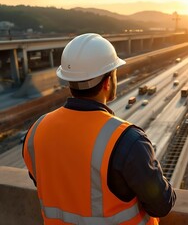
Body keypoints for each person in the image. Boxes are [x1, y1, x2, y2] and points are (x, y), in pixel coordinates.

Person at [22, 33, 175, 225]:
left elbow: (48, 184)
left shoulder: (36, 132)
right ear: (107, 81)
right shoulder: (127, 141)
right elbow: (162, 205)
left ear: (69, 81)